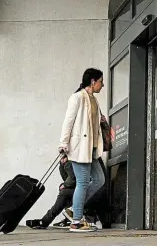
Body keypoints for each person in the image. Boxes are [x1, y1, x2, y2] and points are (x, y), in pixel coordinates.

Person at [58, 68, 106, 232]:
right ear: (93, 81)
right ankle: (76, 222)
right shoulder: (77, 97)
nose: (103, 84)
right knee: (83, 182)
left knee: (99, 179)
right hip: (79, 148)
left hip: (91, 149)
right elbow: (68, 121)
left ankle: (73, 209)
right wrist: (63, 143)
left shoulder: (93, 100)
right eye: (101, 81)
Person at [25, 158, 107, 230]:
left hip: (94, 192)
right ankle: (49, 220)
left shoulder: (77, 157)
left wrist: (65, 183)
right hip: (84, 189)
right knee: (65, 191)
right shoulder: (67, 161)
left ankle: (47, 221)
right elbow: (67, 179)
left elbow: (74, 179)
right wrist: (62, 165)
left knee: (65, 192)